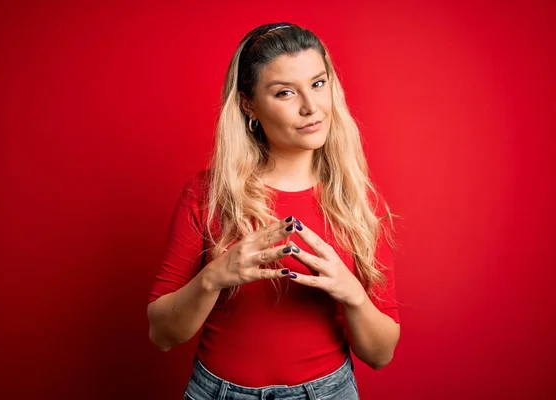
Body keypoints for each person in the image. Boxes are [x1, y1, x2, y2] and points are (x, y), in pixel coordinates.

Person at [147, 22, 400, 400]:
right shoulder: (207, 194)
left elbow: (380, 355)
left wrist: (353, 295)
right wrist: (214, 277)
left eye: (318, 83)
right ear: (249, 105)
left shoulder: (355, 201)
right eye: (285, 92)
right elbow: (162, 335)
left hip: (329, 392)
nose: (311, 107)